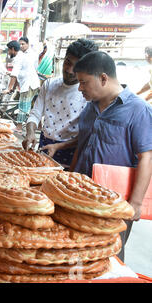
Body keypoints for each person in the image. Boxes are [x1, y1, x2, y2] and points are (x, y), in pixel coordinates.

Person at [70, 51, 152, 262]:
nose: (80, 88)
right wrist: (69, 180)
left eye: (83, 82)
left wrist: (135, 203)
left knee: (109, 254)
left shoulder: (137, 110)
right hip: (82, 195)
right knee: (78, 251)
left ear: (103, 78)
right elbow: (82, 144)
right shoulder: (90, 108)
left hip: (115, 202)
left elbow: (146, 157)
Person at [22, 38, 99, 167]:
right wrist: (30, 133)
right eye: (67, 62)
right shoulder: (49, 84)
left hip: (71, 154)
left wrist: (59, 146)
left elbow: (88, 134)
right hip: (45, 147)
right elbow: (35, 114)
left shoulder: (89, 93)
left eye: (76, 67)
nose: (69, 70)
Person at [3, 40, 40, 131]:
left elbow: (14, 74)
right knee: (34, 107)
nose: (8, 52)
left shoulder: (18, 58)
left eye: (9, 50)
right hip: (34, 84)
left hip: (28, 85)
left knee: (23, 106)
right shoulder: (23, 56)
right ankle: (39, 126)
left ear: (12, 49)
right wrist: (13, 88)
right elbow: (17, 75)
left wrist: (8, 89)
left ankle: (19, 127)